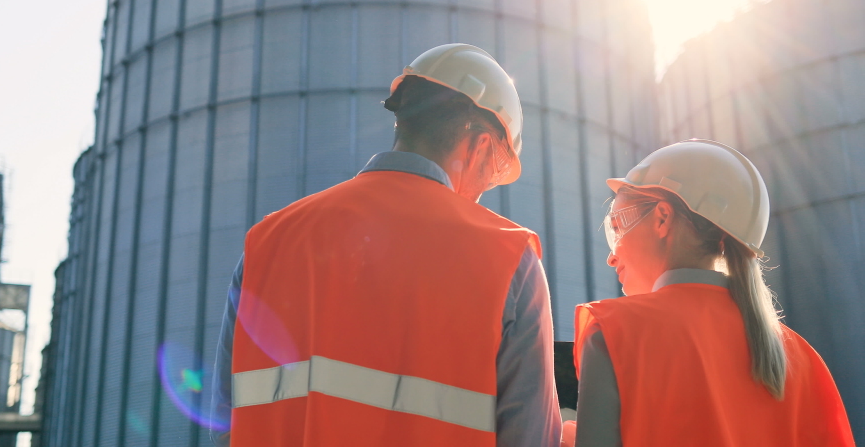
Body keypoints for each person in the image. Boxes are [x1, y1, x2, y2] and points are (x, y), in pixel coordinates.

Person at [210, 43, 562, 446]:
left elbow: (226, 421)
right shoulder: (509, 259)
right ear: (480, 145)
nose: (487, 187)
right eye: (497, 168)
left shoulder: (269, 241)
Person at [567, 139, 855, 446]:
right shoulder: (803, 359)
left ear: (663, 218)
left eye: (617, 227)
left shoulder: (615, 332)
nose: (611, 257)